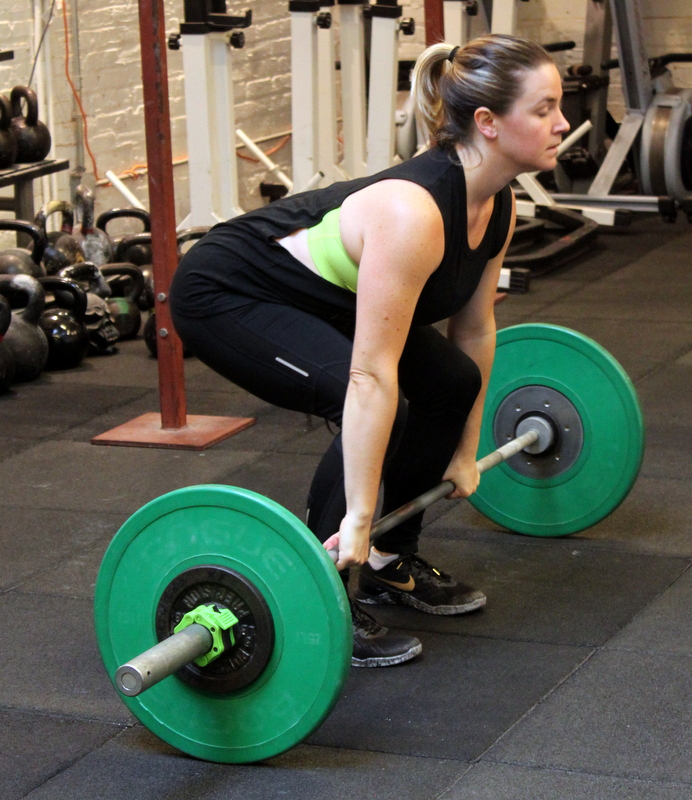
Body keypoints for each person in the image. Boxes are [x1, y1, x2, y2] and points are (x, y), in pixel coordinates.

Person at [170, 34, 570, 668]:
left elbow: (473, 331)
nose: (563, 123)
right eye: (545, 109)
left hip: (326, 296)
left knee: (451, 380)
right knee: (365, 399)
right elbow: (370, 379)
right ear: (489, 123)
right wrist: (359, 512)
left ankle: (389, 561)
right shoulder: (414, 213)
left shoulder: (498, 204)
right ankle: (319, 590)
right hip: (230, 291)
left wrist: (465, 450)